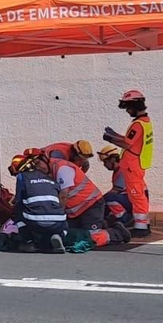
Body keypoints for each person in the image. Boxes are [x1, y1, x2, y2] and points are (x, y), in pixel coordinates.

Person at [103, 89, 154, 237]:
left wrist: (110, 139)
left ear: (135, 106)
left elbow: (127, 144)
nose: (127, 111)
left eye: (128, 107)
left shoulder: (138, 124)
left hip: (132, 165)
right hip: (137, 164)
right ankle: (142, 225)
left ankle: (141, 227)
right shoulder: (145, 123)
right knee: (137, 196)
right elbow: (130, 141)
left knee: (136, 196)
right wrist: (114, 134)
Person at [48, 150, 122, 248]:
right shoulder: (53, 168)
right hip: (75, 211)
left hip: (90, 205)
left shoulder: (63, 169)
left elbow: (63, 196)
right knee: (71, 235)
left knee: (91, 239)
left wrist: (59, 215)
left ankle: (117, 233)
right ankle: (101, 225)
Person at [11, 149, 67, 253]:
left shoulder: (22, 177)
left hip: (35, 221)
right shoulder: (50, 178)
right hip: (58, 220)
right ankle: (59, 236)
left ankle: (29, 242)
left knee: (19, 215)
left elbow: (19, 202)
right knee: (64, 221)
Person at [98, 145, 134, 227]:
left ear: (113, 159)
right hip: (130, 199)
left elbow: (115, 191)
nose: (104, 165)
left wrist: (98, 201)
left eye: (105, 162)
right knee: (107, 199)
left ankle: (125, 219)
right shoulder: (118, 171)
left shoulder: (122, 171)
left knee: (108, 198)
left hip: (131, 200)